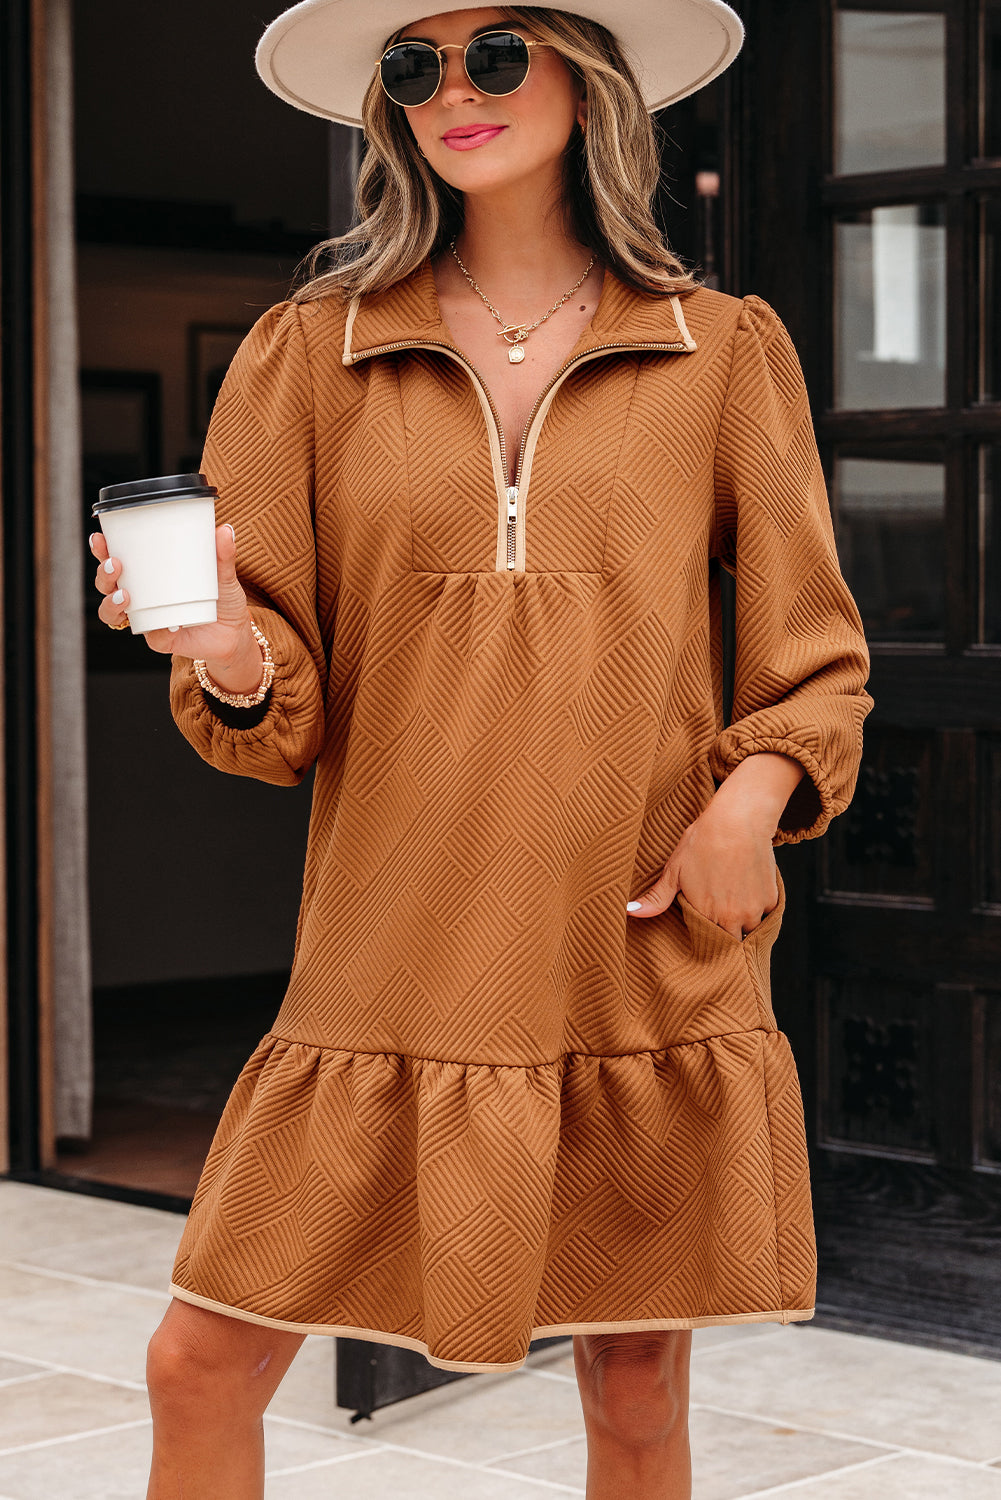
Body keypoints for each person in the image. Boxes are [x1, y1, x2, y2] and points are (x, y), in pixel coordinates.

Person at [90, 4, 873, 1496]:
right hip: (389, 946)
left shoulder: (721, 349)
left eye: (496, 53)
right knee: (198, 1366)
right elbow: (273, 705)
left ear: (587, 79)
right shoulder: (309, 351)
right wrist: (224, 646)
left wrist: (747, 807)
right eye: (414, 64)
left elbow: (813, 652)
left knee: (634, 1391)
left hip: (628, 940)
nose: (454, 89)